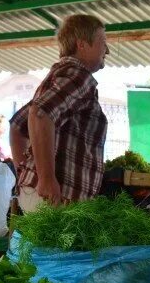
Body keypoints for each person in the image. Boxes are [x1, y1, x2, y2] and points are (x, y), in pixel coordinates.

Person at [13, 14, 108, 209]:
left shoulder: (58, 77)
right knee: (60, 241)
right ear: (82, 44)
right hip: (57, 198)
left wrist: (27, 174)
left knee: (46, 241)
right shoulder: (78, 76)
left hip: (42, 196)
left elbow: (17, 126)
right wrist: (46, 178)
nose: (107, 50)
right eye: (102, 42)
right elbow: (39, 113)